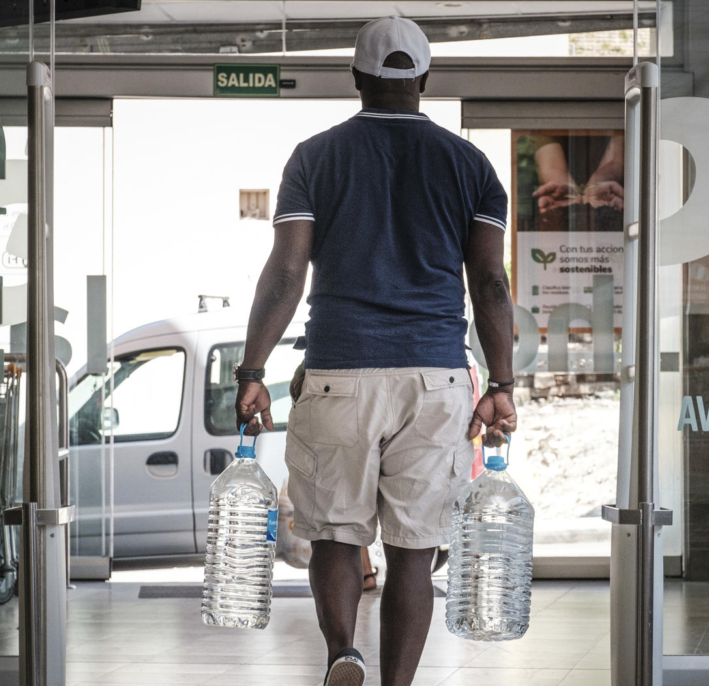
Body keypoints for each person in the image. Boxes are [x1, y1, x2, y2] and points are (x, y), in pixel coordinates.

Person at [234, 16, 516, 686]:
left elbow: (285, 270)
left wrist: (252, 369)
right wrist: (502, 382)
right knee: (413, 552)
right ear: (425, 77)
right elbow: (490, 282)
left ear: (356, 77)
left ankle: (342, 653)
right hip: (435, 378)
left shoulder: (316, 157)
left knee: (335, 534)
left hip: (339, 373)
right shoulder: (470, 166)